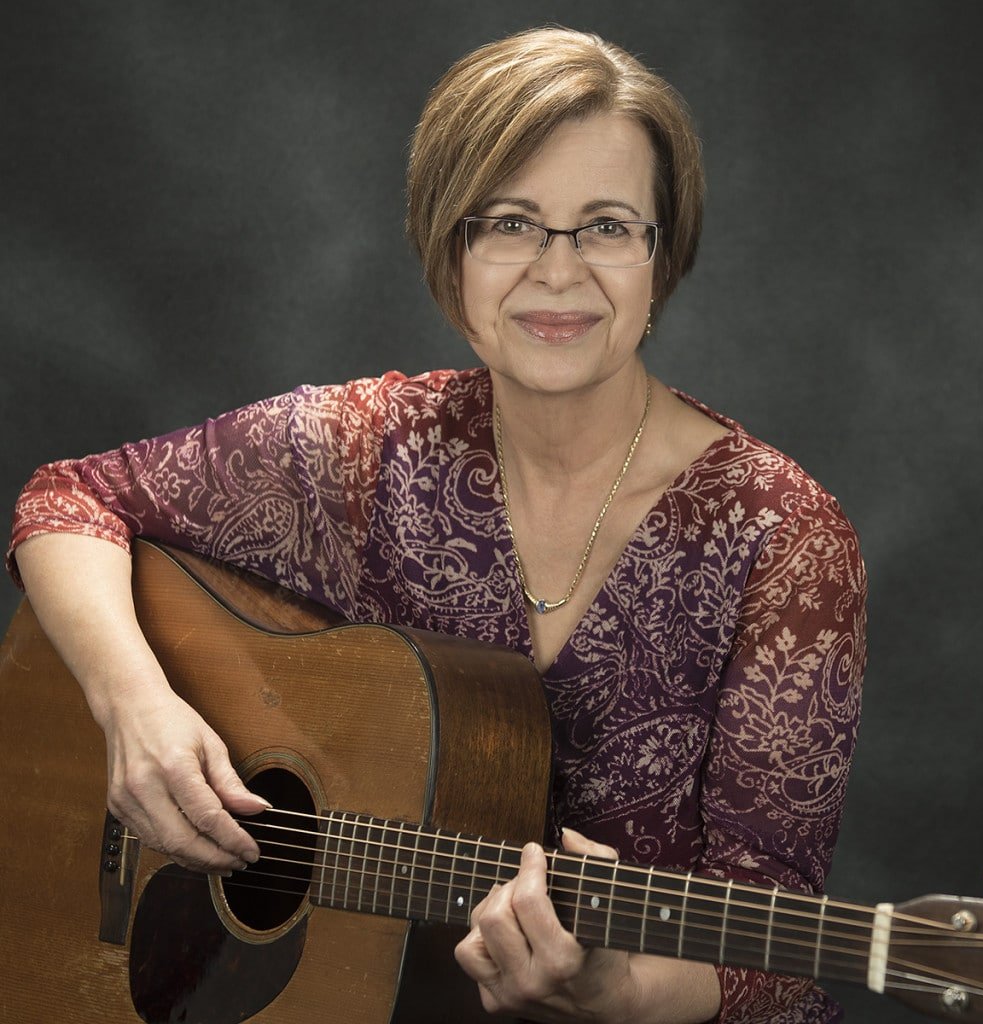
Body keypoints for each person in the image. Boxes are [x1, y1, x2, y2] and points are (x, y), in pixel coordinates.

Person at [7, 26, 866, 1024]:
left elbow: (774, 956)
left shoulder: (784, 539)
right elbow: (66, 501)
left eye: (606, 226)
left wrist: (613, 987)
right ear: (447, 248)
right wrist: (136, 711)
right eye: (509, 222)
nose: (557, 271)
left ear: (661, 256)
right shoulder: (362, 449)